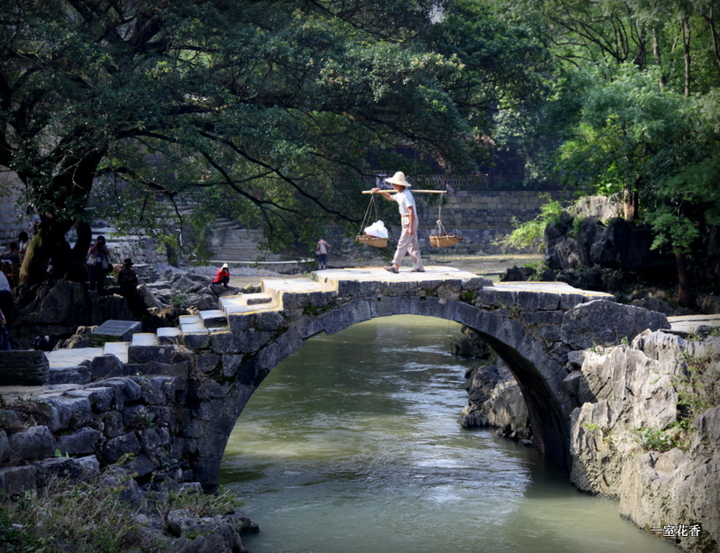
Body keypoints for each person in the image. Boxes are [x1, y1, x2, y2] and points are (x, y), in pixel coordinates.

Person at [371, 171, 425, 274]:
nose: (392, 185)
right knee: (412, 245)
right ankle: (419, 267)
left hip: (409, 219)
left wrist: (411, 227)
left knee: (402, 243)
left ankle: (396, 265)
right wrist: (380, 191)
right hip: (406, 219)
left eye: (394, 184)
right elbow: (390, 197)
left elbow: (411, 211)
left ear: (400, 184)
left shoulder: (406, 195)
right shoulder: (400, 194)